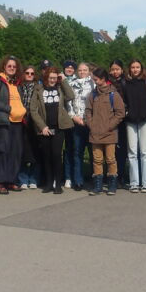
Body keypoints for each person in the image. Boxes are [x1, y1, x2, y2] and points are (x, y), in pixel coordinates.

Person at [28, 66, 75, 194]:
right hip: (45, 128)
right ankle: (49, 184)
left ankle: (58, 184)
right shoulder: (38, 89)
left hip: (59, 127)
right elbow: (33, 110)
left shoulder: (60, 88)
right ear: (46, 78)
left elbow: (71, 95)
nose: (53, 80)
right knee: (46, 155)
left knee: (56, 155)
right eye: (51, 78)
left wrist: (63, 80)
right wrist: (42, 126)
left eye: (55, 78)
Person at [84, 66, 125, 196]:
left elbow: (120, 113)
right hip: (95, 133)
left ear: (103, 79)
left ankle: (112, 185)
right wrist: (91, 124)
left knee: (111, 159)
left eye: (96, 79)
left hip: (110, 133)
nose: (94, 81)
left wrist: (109, 126)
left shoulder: (114, 94)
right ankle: (98, 186)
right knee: (97, 160)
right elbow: (88, 111)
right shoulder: (93, 94)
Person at [0, 56, 24, 194]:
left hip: (18, 122)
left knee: (15, 152)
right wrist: (8, 108)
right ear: (4, 67)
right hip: (4, 121)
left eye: (14, 66)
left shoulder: (17, 83)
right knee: (2, 151)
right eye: (9, 66)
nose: (12, 68)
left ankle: (11, 180)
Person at [122, 59, 146, 193]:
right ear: (129, 69)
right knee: (132, 153)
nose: (135, 69)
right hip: (130, 121)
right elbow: (123, 101)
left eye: (137, 67)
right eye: (133, 67)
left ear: (141, 68)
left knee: (145, 152)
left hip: (145, 121)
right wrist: (127, 112)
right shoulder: (125, 83)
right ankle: (134, 183)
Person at [65, 62, 93, 191]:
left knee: (94, 152)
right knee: (77, 151)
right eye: (80, 70)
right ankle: (78, 180)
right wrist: (73, 117)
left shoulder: (93, 84)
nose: (82, 72)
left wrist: (89, 119)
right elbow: (68, 103)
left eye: (85, 70)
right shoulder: (72, 84)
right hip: (77, 122)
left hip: (90, 122)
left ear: (89, 71)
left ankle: (95, 178)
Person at [17, 64, 40, 189]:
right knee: (23, 151)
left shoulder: (39, 87)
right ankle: (23, 179)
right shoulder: (19, 87)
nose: (30, 75)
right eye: (27, 73)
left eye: (32, 73)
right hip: (22, 121)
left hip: (35, 122)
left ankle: (34, 179)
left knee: (35, 151)